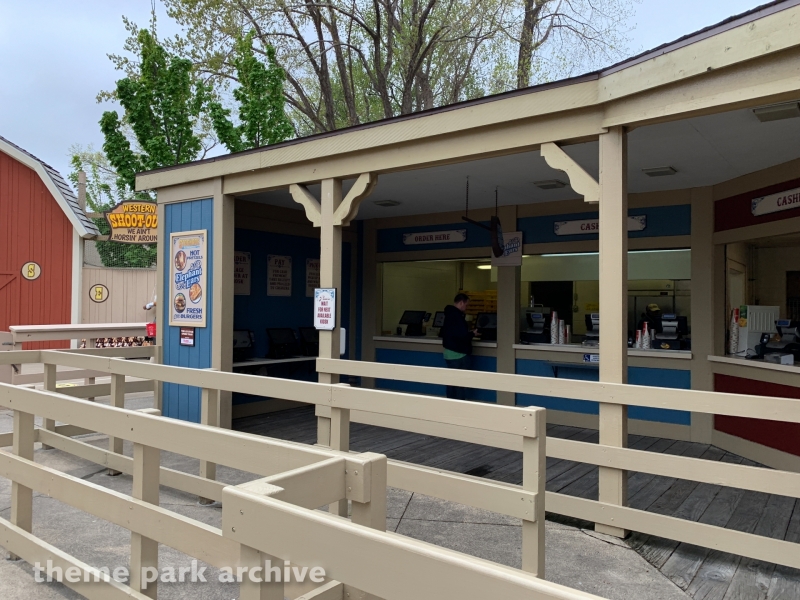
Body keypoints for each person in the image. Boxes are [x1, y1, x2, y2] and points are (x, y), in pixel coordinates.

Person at [441, 293, 476, 400]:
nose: (466, 308)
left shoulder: (449, 314)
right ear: (461, 303)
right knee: (460, 384)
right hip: (458, 354)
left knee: (452, 383)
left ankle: (451, 404)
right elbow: (462, 335)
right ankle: (459, 405)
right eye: (466, 305)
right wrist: (472, 334)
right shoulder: (457, 316)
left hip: (449, 353)